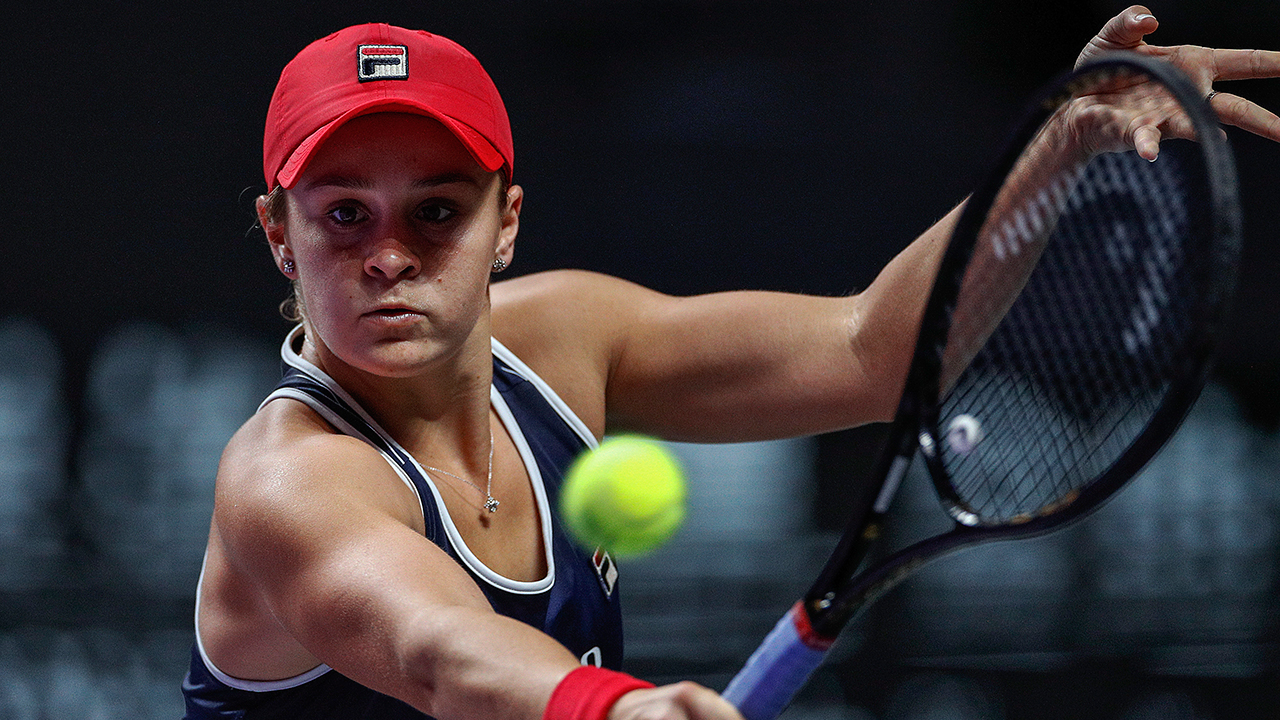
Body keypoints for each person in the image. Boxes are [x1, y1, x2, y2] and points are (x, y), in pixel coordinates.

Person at [182, 7, 1280, 720]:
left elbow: (873, 353)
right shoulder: (293, 479)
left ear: (505, 225)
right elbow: (436, 651)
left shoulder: (566, 341)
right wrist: (609, 711)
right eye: (340, 215)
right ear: (280, 235)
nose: (387, 256)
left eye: (434, 211)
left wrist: (1064, 142)